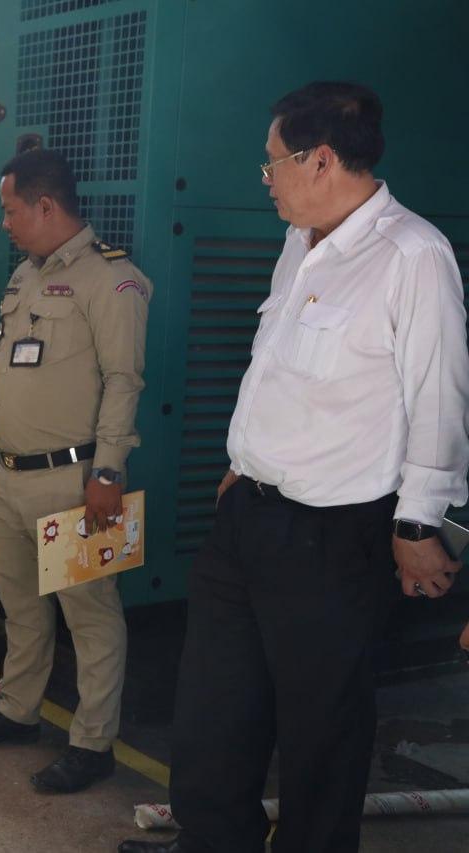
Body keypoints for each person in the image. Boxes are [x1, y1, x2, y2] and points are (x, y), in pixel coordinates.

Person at [120, 82, 469, 853]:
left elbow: (439, 399)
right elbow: (277, 367)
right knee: (214, 706)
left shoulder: (412, 256)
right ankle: (213, 841)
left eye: (272, 162)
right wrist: (244, 462)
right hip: (247, 513)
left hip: (332, 534)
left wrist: (419, 523)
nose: (266, 179)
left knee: (321, 727)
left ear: (320, 160)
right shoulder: (299, 241)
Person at [0, 148, 151, 797]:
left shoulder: (112, 280)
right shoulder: (25, 276)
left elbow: (123, 381)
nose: (4, 223)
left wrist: (108, 473)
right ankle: (17, 710)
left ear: (44, 205)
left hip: (74, 480)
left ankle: (92, 744)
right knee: (20, 607)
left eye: (10, 211)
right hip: (9, 477)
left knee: (90, 618)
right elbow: (3, 365)